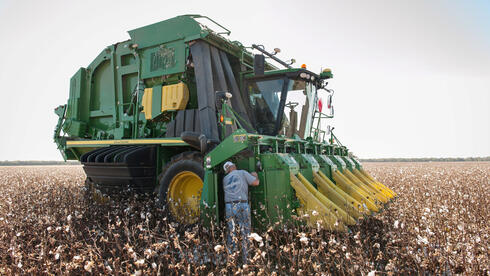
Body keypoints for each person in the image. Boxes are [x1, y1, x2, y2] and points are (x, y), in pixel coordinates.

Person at [222, 161, 259, 263]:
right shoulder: (242, 173)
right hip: (241, 204)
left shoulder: (225, 179)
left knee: (231, 232)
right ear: (234, 166)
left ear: (227, 170)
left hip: (229, 206)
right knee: (245, 232)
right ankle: (246, 260)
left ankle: (231, 259)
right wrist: (254, 175)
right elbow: (255, 182)